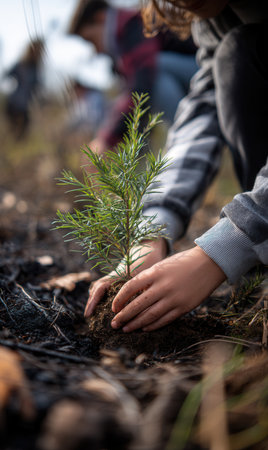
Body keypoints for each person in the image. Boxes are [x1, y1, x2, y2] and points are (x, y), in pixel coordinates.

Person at [85, 0, 268, 333]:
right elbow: (203, 112)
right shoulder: (211, 19)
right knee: (235, 54)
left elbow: (142, 79)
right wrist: (152, 229)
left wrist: (223, 250)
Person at [68, 0, 198, 154]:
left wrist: (106, 138)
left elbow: (140, 86)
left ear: (101, 18)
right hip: (186, 79)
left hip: (203, 69)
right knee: (142, 86)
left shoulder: (134, 25)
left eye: (90, 40)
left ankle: (190, 140)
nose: (95, 50)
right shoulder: (121, 48)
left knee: (154, 71)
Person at [5, 38, 44, 140]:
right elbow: (7, 74)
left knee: (22, 135)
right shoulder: (21, 65)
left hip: (25, 106)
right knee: (11, 132)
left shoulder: (36, 69)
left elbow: (38, 87)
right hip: (13, 104)